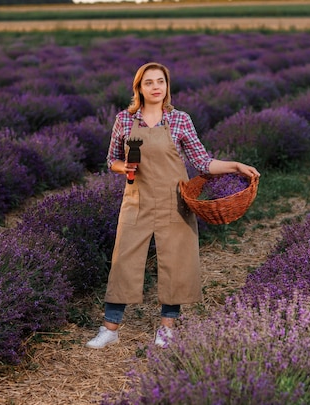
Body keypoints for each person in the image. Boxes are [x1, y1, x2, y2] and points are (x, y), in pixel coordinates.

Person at [85, 62, 260, 349]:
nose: (155, 87)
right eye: (149, 82)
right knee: (123, 263)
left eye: (160, 82)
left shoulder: (180, 120)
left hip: (174, 201)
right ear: (139, 88)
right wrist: (124, 167)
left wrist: (235, 166)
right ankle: (110, 328)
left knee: (176, 262)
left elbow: (202, 162)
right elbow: (111, 159)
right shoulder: (124, 120)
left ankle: (167, 329)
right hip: (136, 201)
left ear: (167, 86)